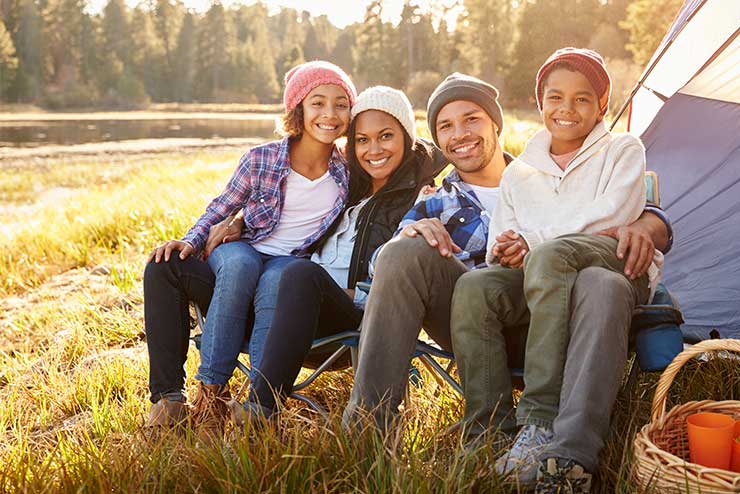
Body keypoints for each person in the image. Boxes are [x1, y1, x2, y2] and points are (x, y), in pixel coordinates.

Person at [341, 71, 673, 445]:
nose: (460, 134)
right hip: (477, 329)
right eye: (446, 126)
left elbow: (613, 208)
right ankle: (369, 428)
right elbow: (383, 272)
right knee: (404, 252)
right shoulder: (434, 201)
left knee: (592, 278)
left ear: (495, 125)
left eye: (471, 119)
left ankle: (560, 441)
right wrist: (409, 234)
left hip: (567, 317)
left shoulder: (544, 170)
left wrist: (651, 220)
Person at [451, 48, 663, 493]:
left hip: (614, 259)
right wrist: (509, 247)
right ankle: (490, 433)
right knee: (475, 285)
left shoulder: (622, 148)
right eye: (555, 97)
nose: (567, 109)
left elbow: (615, 214)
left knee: (553, 258)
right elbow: (501, 241)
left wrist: (536, 241)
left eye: (583, 99)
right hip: (542, 272)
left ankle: (541, 418)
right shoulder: (520, 169)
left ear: (603, 103)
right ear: (540, 101)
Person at [142, 61, 356, 430]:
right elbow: (220, 208)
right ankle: (194, 397)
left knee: (279, 280)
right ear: (299, 108)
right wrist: (192, 240)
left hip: (288, 265)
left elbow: (408, 151)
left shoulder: (348, 172)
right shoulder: (262, 158)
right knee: (172, 265)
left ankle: (260, 405)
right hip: (243, 251)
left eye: (341, 104)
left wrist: (429, 189)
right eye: (318, 102)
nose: (330, 114)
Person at [228, 86, 448, 422]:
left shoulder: (422, 197)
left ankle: (261, 410)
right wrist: (238, 221)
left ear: (406, 136)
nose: (373, 149)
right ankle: (190, 397)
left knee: (299, 276)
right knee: (209, 273)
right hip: (295, 304)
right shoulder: (347, 185)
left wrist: (351, 292)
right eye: (361, 139)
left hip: (356, 313)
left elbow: (407, 281)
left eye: (386, 136)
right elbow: (290, 212)